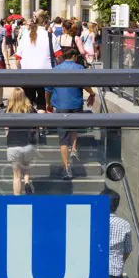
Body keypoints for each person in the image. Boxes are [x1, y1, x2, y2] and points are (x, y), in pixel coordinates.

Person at [45, 47, 96, 179]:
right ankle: (74, 149)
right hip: (75, 104)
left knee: (63, 138)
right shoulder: (79, 68)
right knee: (74, 127)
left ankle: (66, 167)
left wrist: (48, 103)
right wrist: (92, 93)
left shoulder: (55, 70)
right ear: (73, 56)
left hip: (61, 106)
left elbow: (48, 89)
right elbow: (85, 84)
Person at [92, 188, 133, 278]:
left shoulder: (94, 221)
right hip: (115, 269)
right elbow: (128, 249)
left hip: (98, 267)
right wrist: (120, 261)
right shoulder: (125, 225)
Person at [15, 10, 55, 112]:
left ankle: (31, 125)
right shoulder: (50, 36)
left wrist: (20, 71)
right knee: (42, 103)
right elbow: (59, 56)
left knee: (28, 102)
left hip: (27, 74)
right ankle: (41, 125)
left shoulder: (25, 35)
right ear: (45, 22)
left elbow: (18, 58)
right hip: (45, 75)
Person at [5, 88, 38, 195]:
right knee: (26, 165)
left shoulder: (8, 111)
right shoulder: (29, 109)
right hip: (27, 145)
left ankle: (17, 200)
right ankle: (27, 182)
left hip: (13, 146)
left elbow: (5, 129)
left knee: (16, 176)